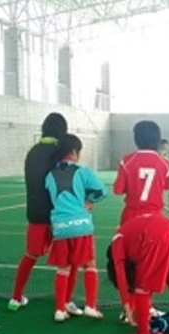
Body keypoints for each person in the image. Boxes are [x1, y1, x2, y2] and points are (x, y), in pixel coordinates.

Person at [8, 112, 69, 312]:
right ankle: (64, 303)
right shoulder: (60, 151)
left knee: (30, 255)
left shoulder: (33, 151)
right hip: (59, 213)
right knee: (67, 261)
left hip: (36, 212)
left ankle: (16, 297)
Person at [45, 134, 107, 322]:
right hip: (81, 225)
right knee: (89, 264)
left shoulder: (49, 175)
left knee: (63, 268)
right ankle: (91, 306)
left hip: (60, 227)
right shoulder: (82, 171)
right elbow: (102, 191)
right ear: (73, 152)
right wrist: (89, 201)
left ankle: (60, 309)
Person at [113, 121, 169, 225]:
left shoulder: (126, 161)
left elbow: (118, 190)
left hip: (131, 215)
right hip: (155, 216)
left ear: (136, 139)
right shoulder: (167, 164)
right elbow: (167, 187)